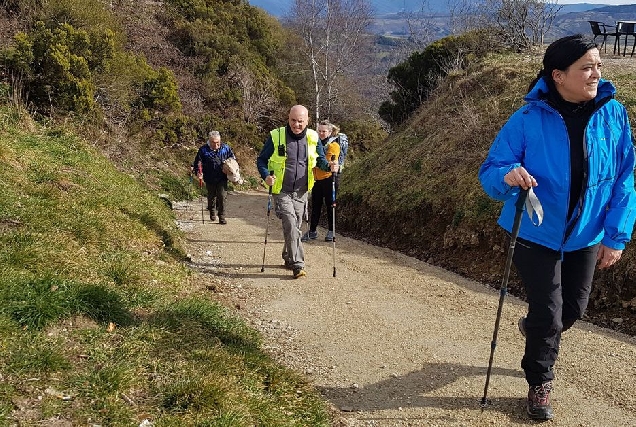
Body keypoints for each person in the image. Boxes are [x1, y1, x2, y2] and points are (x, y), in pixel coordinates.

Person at [478, 34, 636, 421]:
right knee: (549, 315)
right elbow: (490, 172)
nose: (596, 73)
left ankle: (534, 328)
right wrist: (508, 175)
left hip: (587, 234)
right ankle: (539, 383)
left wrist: (615, 236)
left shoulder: (613, 114)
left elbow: (624, 179)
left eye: (598, 65)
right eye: (587, 67)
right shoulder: (528, 118)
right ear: (559, 75)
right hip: (535, 231)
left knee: (573, 310)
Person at [256, 105, 339, 279]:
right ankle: (298, 264)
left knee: (296, 226)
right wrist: (266, 176)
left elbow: (320, 160)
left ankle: (288, 256)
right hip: (281, 190)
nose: (296, 125)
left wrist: (330, 167)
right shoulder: (276, 136)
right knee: (290, 222)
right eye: (293, 120)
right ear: (288, 118)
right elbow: (262, 160)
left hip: (301, 191)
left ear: (307, 121)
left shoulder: (312, 137)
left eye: (300, 121)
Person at [302, 119, 341, 242]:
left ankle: (331, 230)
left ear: (330, 132)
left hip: (330, 179)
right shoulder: (314, 144)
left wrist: (316, 161)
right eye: (319, 131)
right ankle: (312, 231)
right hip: (317, 180)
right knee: (316, 205)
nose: (321, 133)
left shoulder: (333, 145)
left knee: (330, 206)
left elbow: (326, 162)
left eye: (324, 131)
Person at [191, 131, 237, 224]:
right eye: (213, 142)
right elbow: (198, 163)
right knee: (211, 196)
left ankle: (222, 217)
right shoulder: (203, 150)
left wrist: (230, 167)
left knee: (222, 196)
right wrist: (198, 172)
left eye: (218, 142)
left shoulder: (226, 148)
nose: (216, 144)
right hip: (209, 177)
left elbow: (233, 159)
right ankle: (212, 210)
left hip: (222, 177)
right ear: (209, 141)